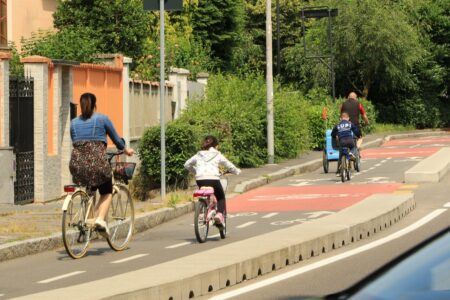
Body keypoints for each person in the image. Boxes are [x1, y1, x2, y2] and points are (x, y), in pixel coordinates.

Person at [69, 92, 134, 238]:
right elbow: (117, 141)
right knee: (107, 191)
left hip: (77, 164)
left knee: (91, 185)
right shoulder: (102, 119)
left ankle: (88, 217)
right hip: (97, 163)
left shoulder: (73, 123)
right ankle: (99, 220)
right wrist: (126, 150)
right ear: (94, 105)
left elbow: (75, 141)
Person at [184, 135, 241, 226]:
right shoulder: (217, 154)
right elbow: (229, 165)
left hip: (200, 179)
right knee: (221, 197)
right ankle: (219, 214)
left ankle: (202, 212)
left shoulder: (198, 154)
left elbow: (186, 164)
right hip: (213, 179)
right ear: (216, 146)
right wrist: (236, 171)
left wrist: (196, 171)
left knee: (203, 192)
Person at [331, 112, 361, 176]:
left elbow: (333, 134)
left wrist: (335, 137)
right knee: (354, 147)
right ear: (348, 118)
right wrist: (358, 136)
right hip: (350, 141)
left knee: (341, 155)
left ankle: (339, 171)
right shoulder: (350, 124)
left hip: (341, 142)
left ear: (340, 118)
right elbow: (356, 130)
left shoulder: (338, 125)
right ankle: (351, 153)